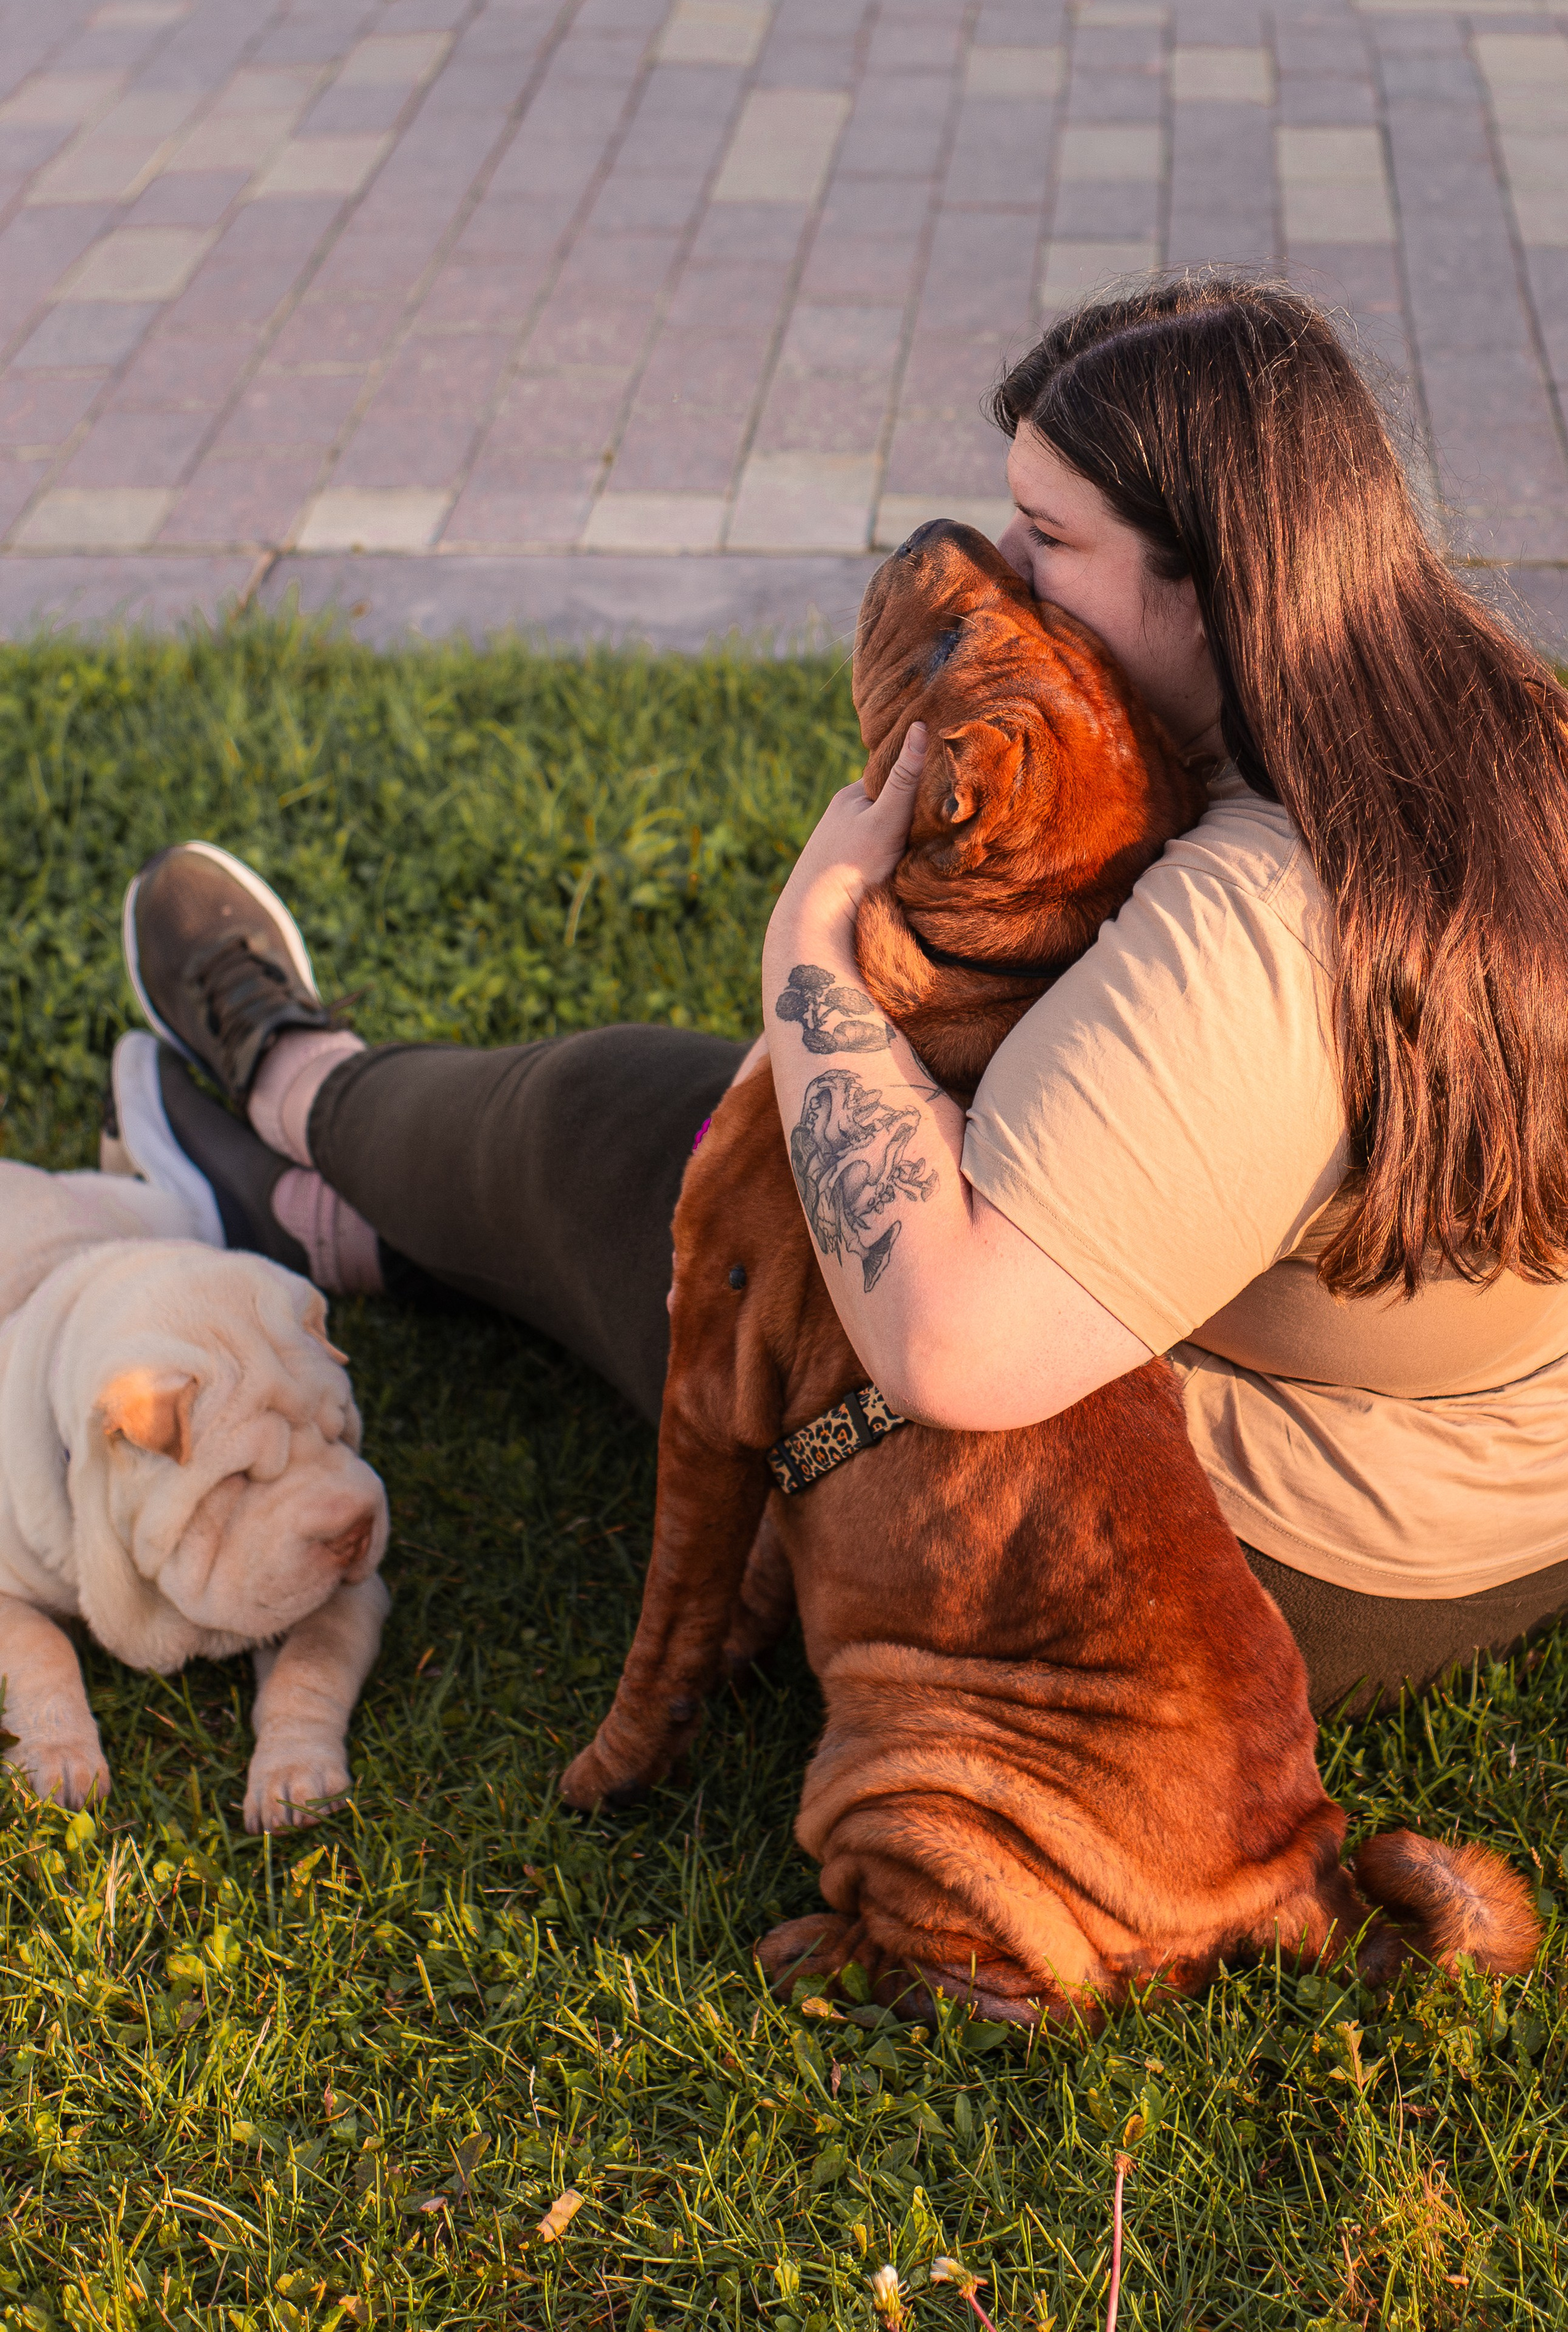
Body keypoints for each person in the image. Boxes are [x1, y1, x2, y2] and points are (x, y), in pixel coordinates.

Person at [107, 274, 1568, 1721]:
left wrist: (808, 946)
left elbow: (951, 1348)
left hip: (1254, 1573)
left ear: (1207, 579)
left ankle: (297, 1081)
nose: (998, 563)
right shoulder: (1490, 719)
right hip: (1493, 1501)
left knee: (625, 1140)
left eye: (1048, 539)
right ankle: (358, 1226)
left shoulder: (1259, 925)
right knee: (733, 1135)